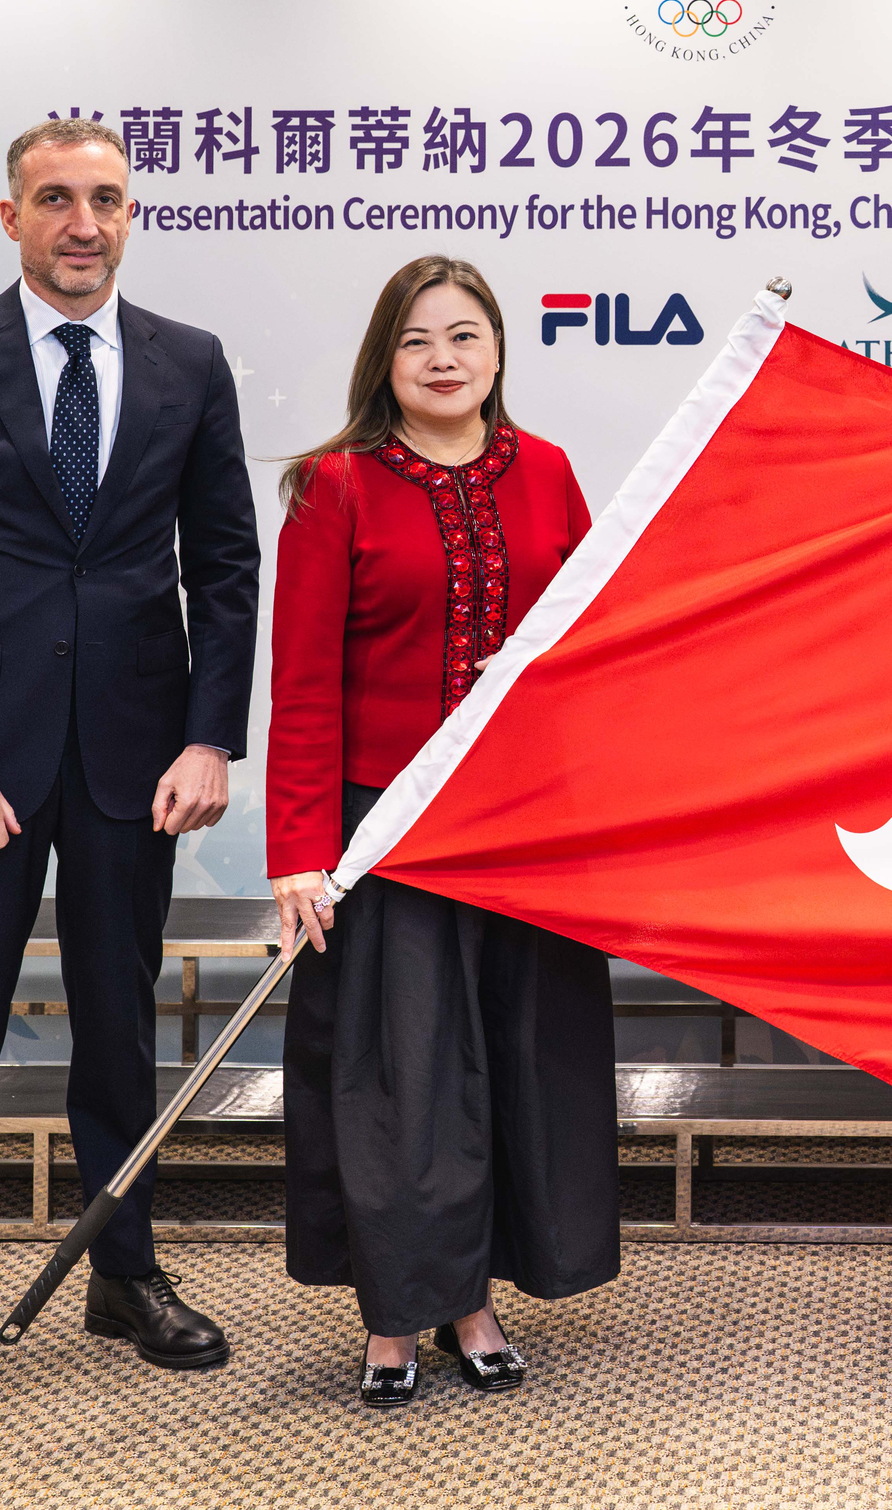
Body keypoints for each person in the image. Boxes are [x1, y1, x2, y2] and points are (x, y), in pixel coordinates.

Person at [0, 117, 260, 1434]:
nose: (84, 221)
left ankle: (123, 1272)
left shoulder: (189, 362)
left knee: (118, 1025)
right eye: (57, 199)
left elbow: (226, 566)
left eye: (108, 199)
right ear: (12, 215)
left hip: (139, 759)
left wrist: (209, 736)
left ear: (131, 215)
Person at [267, 256, 619, 1408]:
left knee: (516, 1066)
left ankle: (475, 1301)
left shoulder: (552, 473)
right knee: (405, 1080)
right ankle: (394, 1316)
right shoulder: (338, 486)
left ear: (500, 352)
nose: (445, 359)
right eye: (419, 341)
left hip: (521, 828)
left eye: (466, 336)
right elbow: (306, 687)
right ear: (386, 359)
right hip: (386, 834)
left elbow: (586, 659)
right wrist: (300, 855)